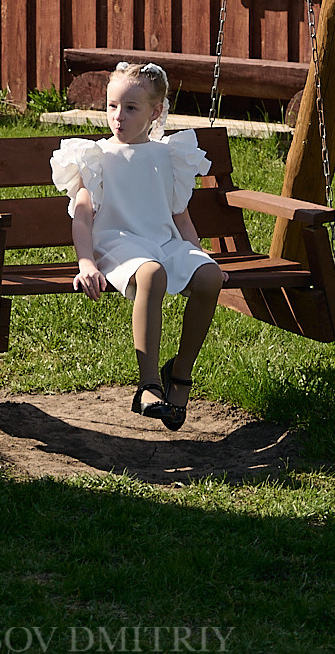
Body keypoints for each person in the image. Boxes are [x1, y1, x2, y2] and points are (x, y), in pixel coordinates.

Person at [49, 62, 227, 430]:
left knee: (210, 277)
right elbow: (82, 218)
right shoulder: (95, 156)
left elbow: (179, 216)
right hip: (116, 243)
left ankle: (180, 373)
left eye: (130, 108)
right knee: (152, 273)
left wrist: (198, 254)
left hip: (162, 240)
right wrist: (86, 264)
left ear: (155, 111)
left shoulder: (169, 156)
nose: (118, 116)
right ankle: (148, 384)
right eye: (112, 106)